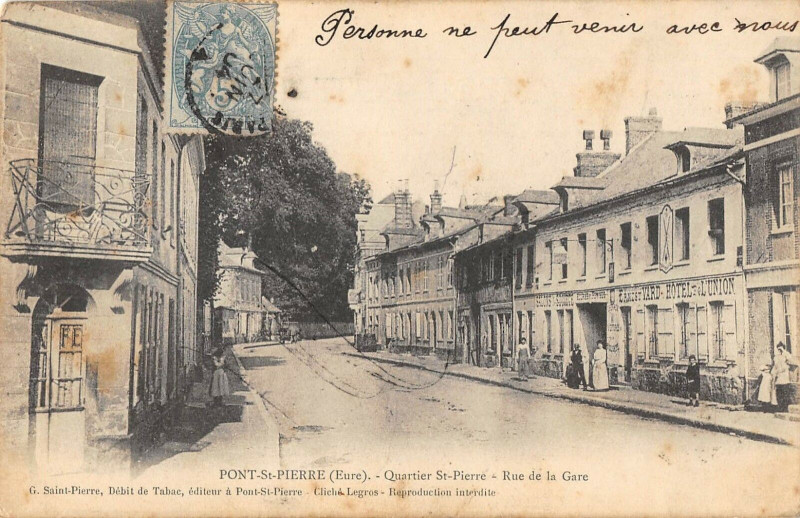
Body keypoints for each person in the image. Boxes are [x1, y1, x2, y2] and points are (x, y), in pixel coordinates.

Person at [772, 343, 798, 412]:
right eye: (778, 349)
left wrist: (784, 354)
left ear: (783, 348)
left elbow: (792, 362)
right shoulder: (776, 357)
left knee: (785, 393)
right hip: (778, 378)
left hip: (785, 377)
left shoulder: (786, 355)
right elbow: (775, 367)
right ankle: (780, 408)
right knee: (779, 393)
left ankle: (785, 408)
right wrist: (774, 373)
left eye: (780, 349)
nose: (779, 350)